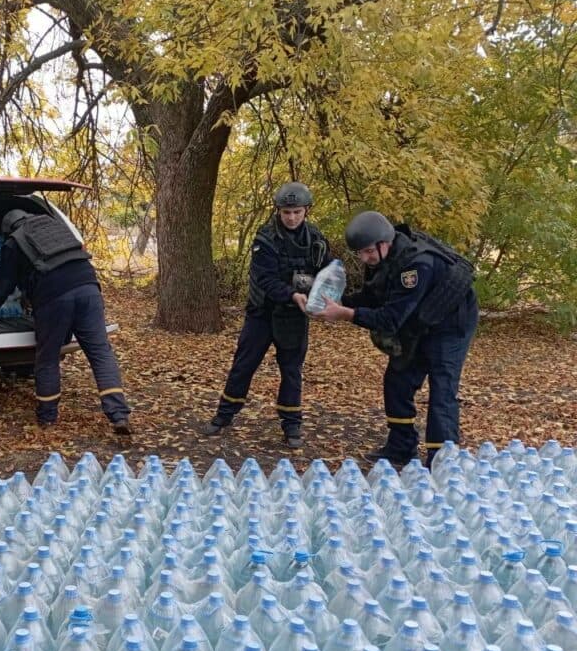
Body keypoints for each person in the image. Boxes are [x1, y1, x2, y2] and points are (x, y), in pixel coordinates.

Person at [310, 210, 478, 466]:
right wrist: (334, 302)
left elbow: (389, 319)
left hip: (450, 322)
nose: (364, 258)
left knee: (442, 387)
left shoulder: (416, 266)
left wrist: (346, 314)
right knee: (398, 380)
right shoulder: (384, 260)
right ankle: (401, 446)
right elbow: (373, 297)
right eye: (360, 253)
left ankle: (441, 460)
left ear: (384, 242)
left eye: (367, 251)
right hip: (418, 318)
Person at [200, 182, 332, 448]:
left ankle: (291, 425)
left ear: (306, 210)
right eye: (286, 212)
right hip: (262, 314)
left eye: (296, 212)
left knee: (292, 371)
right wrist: (293, 294)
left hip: (294, 317)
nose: (291, 217)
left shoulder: (316, 240)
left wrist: (325, 296)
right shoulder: (265, 237)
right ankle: (224, 415)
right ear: (279, 212)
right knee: (244, 365)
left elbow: (327, 274)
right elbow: (266, 279)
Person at [0, 208, 132, 434]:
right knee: (101, 353)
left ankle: (48, 417)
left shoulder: (14, 242)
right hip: (89, 288)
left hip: (54, 299)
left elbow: (4, 284)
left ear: (9, 229)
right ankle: (119, 414)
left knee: (48, 357)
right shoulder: (55, 227)